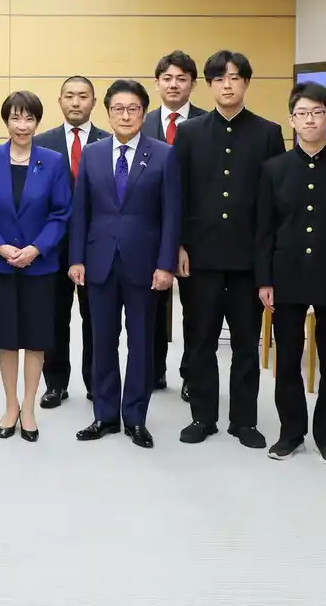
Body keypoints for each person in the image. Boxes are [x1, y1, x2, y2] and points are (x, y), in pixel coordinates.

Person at [174, 51, 284, 447]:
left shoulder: (268, 132)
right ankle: (202, 417)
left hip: (248, 259)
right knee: (200, 338)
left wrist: (268, 260)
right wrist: (179, 245)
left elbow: (276, 200)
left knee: (245, 343)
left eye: (235, 77)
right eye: (219, 78)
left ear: (246, 83)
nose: (227, 84)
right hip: (200, 256)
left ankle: (244, 421)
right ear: (208, 85)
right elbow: (178, 194)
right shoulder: (189, 132)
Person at [256, 81, 326, 465]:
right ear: (291, 120)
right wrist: (264, 279)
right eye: (302, 113)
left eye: (317, 113)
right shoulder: (274, 169)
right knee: (287, 358)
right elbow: (264, 229)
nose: (309, 120)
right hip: (285, 276)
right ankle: (291, 433)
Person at [69, 79, 180, 449]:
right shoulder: (93, 153)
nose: (126, 115)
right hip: (99, 262)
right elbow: (80, 211)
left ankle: (135, 417)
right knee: (101, 341)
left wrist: (166, 264)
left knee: (141, 342)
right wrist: (76, 259)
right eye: (118, 108)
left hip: (145, 266)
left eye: (133, 109)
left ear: (143, 113)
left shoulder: (163, 154)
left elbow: (171, 215)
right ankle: (104, 415)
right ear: (108, 113)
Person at [0, 91, 72, 443]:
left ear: (38, 122)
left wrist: (35, 248)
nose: (22, 125)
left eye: (29, 118)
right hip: (1, 265)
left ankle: (29, 406)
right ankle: (10, 405)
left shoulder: (53, 161)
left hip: (39, 265)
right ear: (6, 121)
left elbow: (61, 212)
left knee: (36, 338)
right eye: (15, 118)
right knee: (7, 337)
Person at [33, 75, 106, 408]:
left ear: (94, 102)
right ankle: (55, 382)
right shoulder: (42, 143)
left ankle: (96, 381)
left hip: (96, 244)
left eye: (83, 96)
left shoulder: (108, 142)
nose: (76, 102)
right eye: (70, 96)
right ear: (60, 101)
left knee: (96, 317)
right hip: (53, 244)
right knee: (54, 316)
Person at [142, 50, 206, 398]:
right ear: (157, 83)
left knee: (196, 312)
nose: (174, 84)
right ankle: (154, 371)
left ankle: (191, 375)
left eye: (182, 79)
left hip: (196, 236)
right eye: (167, 78)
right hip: (150, 233)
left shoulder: (208, 123)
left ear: (193, 84)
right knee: (150, 308)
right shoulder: (142, 122)